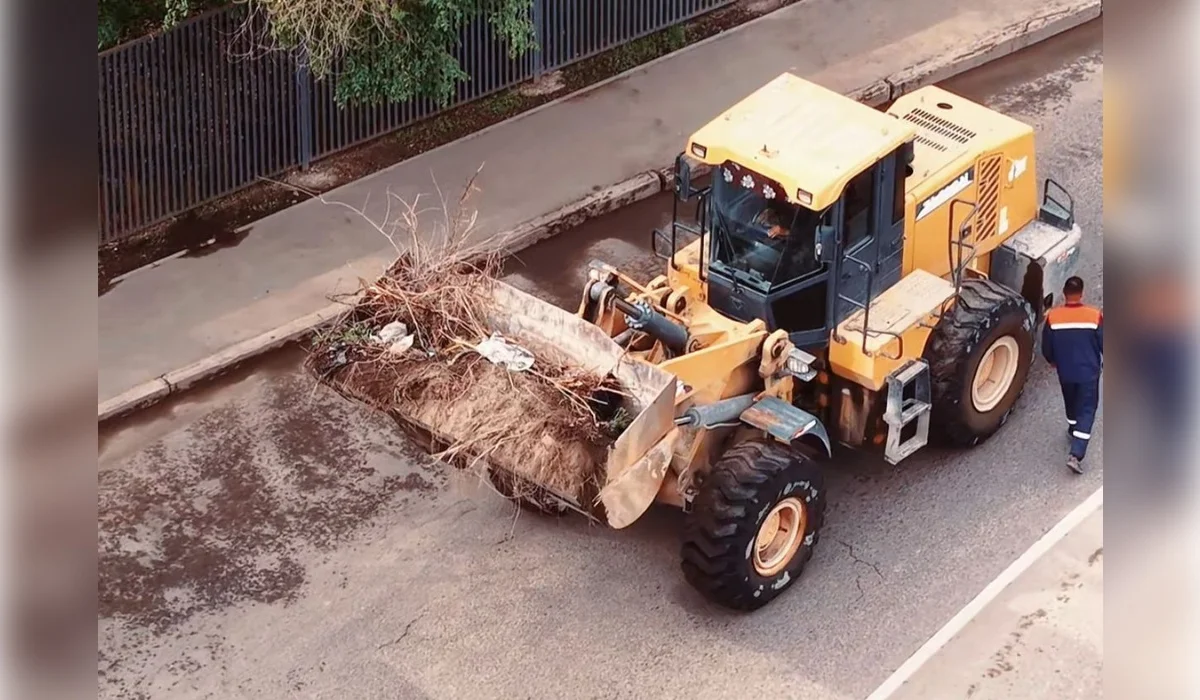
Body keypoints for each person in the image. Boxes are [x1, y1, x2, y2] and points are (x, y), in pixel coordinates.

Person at [1041, 276, 1103, 474]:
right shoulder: (1094, 315)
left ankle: (1072, 429)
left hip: (1065, 372)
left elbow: (1046, 348)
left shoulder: (1053, 317)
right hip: (1088, 373)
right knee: (1087, 409)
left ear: (1064, 294)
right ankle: (1076, 455)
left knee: (1071, 403)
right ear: (1082, 294)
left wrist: (1053, 362)